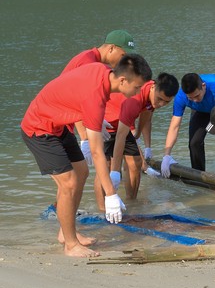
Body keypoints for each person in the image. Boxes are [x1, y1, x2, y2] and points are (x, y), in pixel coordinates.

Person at [21, 54, 153, 257]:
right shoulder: (95, 97)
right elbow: (97, 152)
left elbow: (72, 86)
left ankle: (66, 233)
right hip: (39, 128)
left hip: (58, 125)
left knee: (81, 172)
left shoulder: (102, 71)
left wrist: (94, 120)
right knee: (69, 183)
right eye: (137, 88)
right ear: (123, 80)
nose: (138, 92)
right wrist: (111, 194)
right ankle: (71, 246)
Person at [92, 73, 179, 209]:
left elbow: (147, 111)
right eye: (160, 99)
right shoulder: (134, 101)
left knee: (136, 163)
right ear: (153, 87)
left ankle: (132, 204)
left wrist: (137, 132)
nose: (161, 104)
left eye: (166, 102)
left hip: (123, 125)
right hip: (106, 124)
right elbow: (120, 137)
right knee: (105, 167)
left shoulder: (152, 95)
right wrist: (115, 171)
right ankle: (103, 209)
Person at [62, 30, 137, 162]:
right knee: (72, 178)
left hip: (66, 123)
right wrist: (85, 137)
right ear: (111, 48)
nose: (124, 61)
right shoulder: (88, 63)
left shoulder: (94, 60)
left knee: (80, 174)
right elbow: (78, 99)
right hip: (57, 124)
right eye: (123, 55)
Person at [161, 73, 215, 177]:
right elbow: (174, 126)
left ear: (203, 86)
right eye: (190, 98)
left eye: (197, 95)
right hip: (200, 111)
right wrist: (166, 155)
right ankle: (198, 174)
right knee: (194, 143)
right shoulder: (181, 96)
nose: (195, 100)